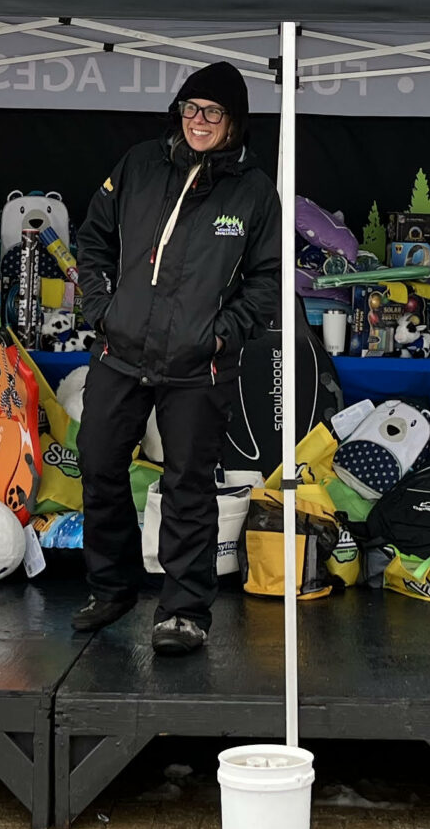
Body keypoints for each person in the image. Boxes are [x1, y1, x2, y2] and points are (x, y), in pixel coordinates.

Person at [72, 62, 282, 655]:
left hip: (199, 366)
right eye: (191, 109)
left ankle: (184, 610)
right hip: (120, 351)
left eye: (212, 112)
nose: (198, 122)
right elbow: (93, 239)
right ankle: (111, 587)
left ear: (234, 121)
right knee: (99, 464)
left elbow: (267, 281)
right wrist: (100, 309)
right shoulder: (140, 165)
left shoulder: (253, 191)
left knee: (188, 483)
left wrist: (222, 334)